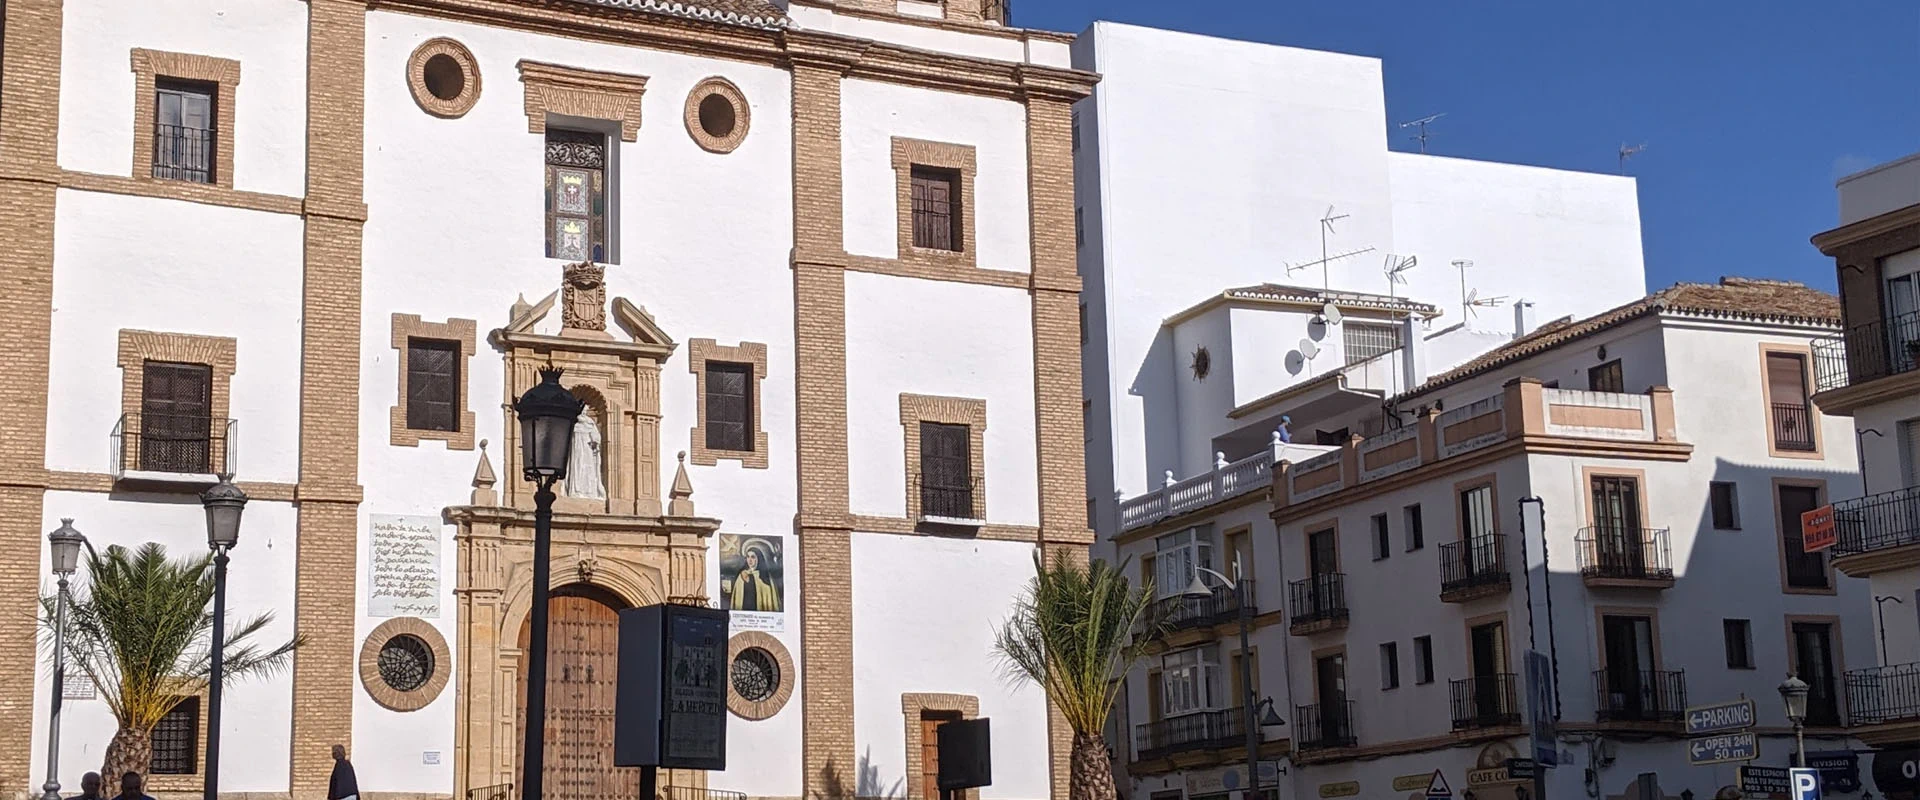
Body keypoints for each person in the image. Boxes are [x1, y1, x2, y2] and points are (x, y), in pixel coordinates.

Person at [728, 545, 781, 612]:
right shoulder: (741, 576)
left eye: (753, 557)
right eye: (748, 557)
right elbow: (736, 599)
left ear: (758, 558)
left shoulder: (765, 576)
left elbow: (770, 600)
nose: (750, 560)